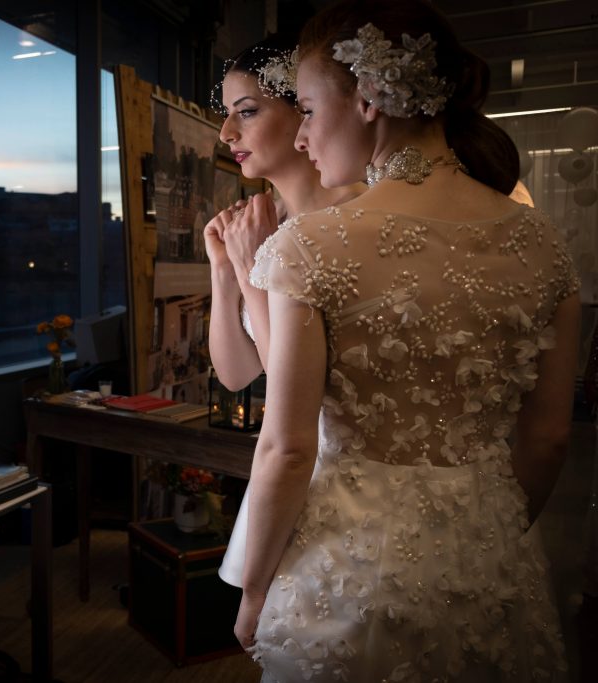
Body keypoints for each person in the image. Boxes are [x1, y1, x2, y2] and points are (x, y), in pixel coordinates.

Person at [221, 1, 581, 680]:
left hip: (348, 572)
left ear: (368, 98)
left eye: (307, 107)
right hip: (490, 561)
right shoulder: (544, 245)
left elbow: (289, 445)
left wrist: (253, 586)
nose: (301, 137)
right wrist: (485, 526)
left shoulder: (312, 245)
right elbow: (548, 437)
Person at [204, 35, 364, 392]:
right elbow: (236, 375)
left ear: (303, 109)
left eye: (246, 112)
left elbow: (302, 390)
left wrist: (249, 271)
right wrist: (224, 271)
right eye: (227, 115)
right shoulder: (262, 226)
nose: (226, 133)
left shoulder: (356, 217)